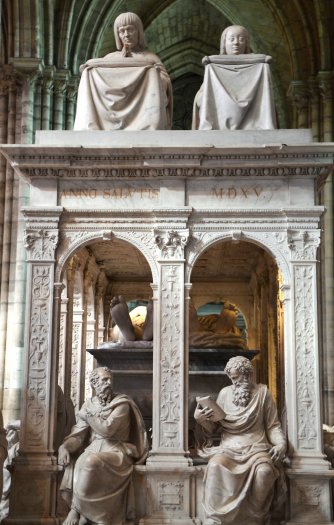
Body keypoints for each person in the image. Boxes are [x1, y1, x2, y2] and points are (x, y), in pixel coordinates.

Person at [194, 356, 286, 525]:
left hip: (257, 447)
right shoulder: (224, 393)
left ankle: (254, 519)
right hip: (228, 447)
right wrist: (201, 420)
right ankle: (216, 518)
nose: (233, 382)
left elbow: (273, 426)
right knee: (214, 466)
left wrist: (281, 444)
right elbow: (214, 428)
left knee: (264, 472)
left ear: (247, 375)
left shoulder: (263, 393)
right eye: (231, 378)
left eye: (235, 377)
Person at [58, 367, 148, 525]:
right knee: (79, 462)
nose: (109, 383)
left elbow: (107, 429)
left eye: (110, 380)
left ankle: (77, 510)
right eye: (104, 380)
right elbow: (78, 436)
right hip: (93, 449)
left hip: (117, 451)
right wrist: (64, 447)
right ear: (94, 383)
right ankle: (88, 514)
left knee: (91, 462)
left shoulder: (122, 404)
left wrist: (87, 415)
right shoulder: (89, 404)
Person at [74, 12, 173, 130]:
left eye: (130, 29)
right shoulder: (110, 58)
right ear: (118, 35)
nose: (126, 35)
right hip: (109, 111)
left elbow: (164, 84)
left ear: (138, 32)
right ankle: (91, 126)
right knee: (89, 72)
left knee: (152, 73)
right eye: (122, 31)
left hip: (143, 110)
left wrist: (146, 76)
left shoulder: (150, 58)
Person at [192, 25, 276, 130]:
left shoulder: (259, 67)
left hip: (253, 121)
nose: (236, 43)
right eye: (231, 39)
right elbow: (202, 98)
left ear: (246, 44)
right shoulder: (214, 68)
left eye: (241, 39)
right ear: (224, 43)